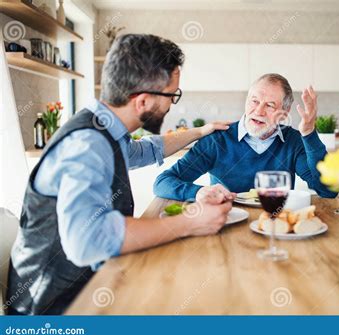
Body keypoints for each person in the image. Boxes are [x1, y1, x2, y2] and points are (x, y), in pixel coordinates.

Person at [7, 34, 235, 315]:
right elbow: (86, 241)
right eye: (171, 95)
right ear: (141, 101)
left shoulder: (103, 129)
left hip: (89, 285)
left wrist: (200, 131)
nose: (171, 105)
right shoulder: (87, 145)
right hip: (52, 312)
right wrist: (190, 223)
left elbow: (144, 151)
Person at [154, 73, 337, 201]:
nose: (258, 111)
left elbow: (327, 191)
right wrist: (198, 192)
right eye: (254, 101)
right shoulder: (217, 140)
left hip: (276, 227)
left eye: (270, 105)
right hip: (224, 224)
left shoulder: (293, 141)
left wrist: (309, 133)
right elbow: (163, 183)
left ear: (285, 111)